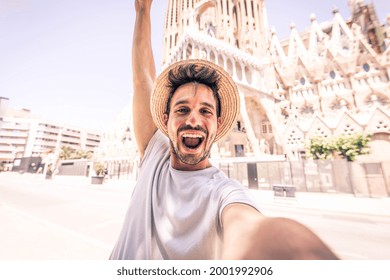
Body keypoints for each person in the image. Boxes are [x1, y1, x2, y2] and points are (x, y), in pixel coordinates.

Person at [109, 0, 338, 260]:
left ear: (218, 123)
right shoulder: (154, 153)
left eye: (205, 111)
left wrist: (292, 246)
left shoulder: (224, 193)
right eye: (182, 109)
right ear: (165, 119)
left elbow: (249, 226)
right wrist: (143, 11)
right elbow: (142, 79)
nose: (193, 120)